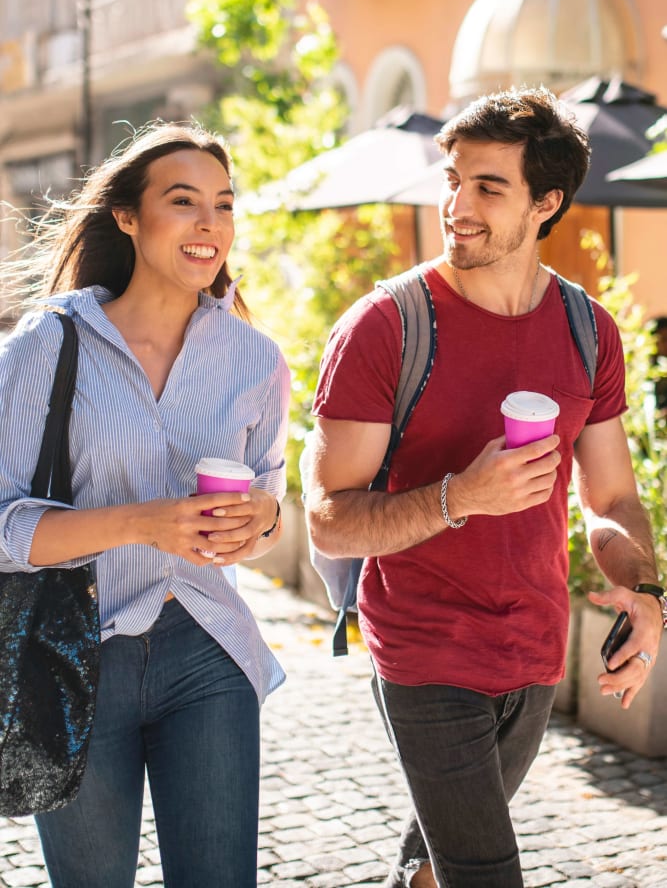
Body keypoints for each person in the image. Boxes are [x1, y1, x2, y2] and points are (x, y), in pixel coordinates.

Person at [305, 87, 664, 888]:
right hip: (424, 651)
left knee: (438, 864)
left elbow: (608, 502)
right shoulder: (387, 326)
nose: (456, 206)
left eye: (487, 187)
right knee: (484, 872)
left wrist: (642, 589)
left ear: (546, 203)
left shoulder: (586, 330)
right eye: (453, 181)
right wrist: (458, 498)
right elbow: (329, 520)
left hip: (533, 653)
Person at [0, 121, 290, 888]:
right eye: (184, 201)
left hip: (209, 652)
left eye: (224, 206)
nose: (209, 226)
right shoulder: (48, 345)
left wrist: (260, 521)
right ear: (127, 217)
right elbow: (1, 529)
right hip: (76, 655)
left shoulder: (255, 360)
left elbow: (270, 502)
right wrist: (141, 523)